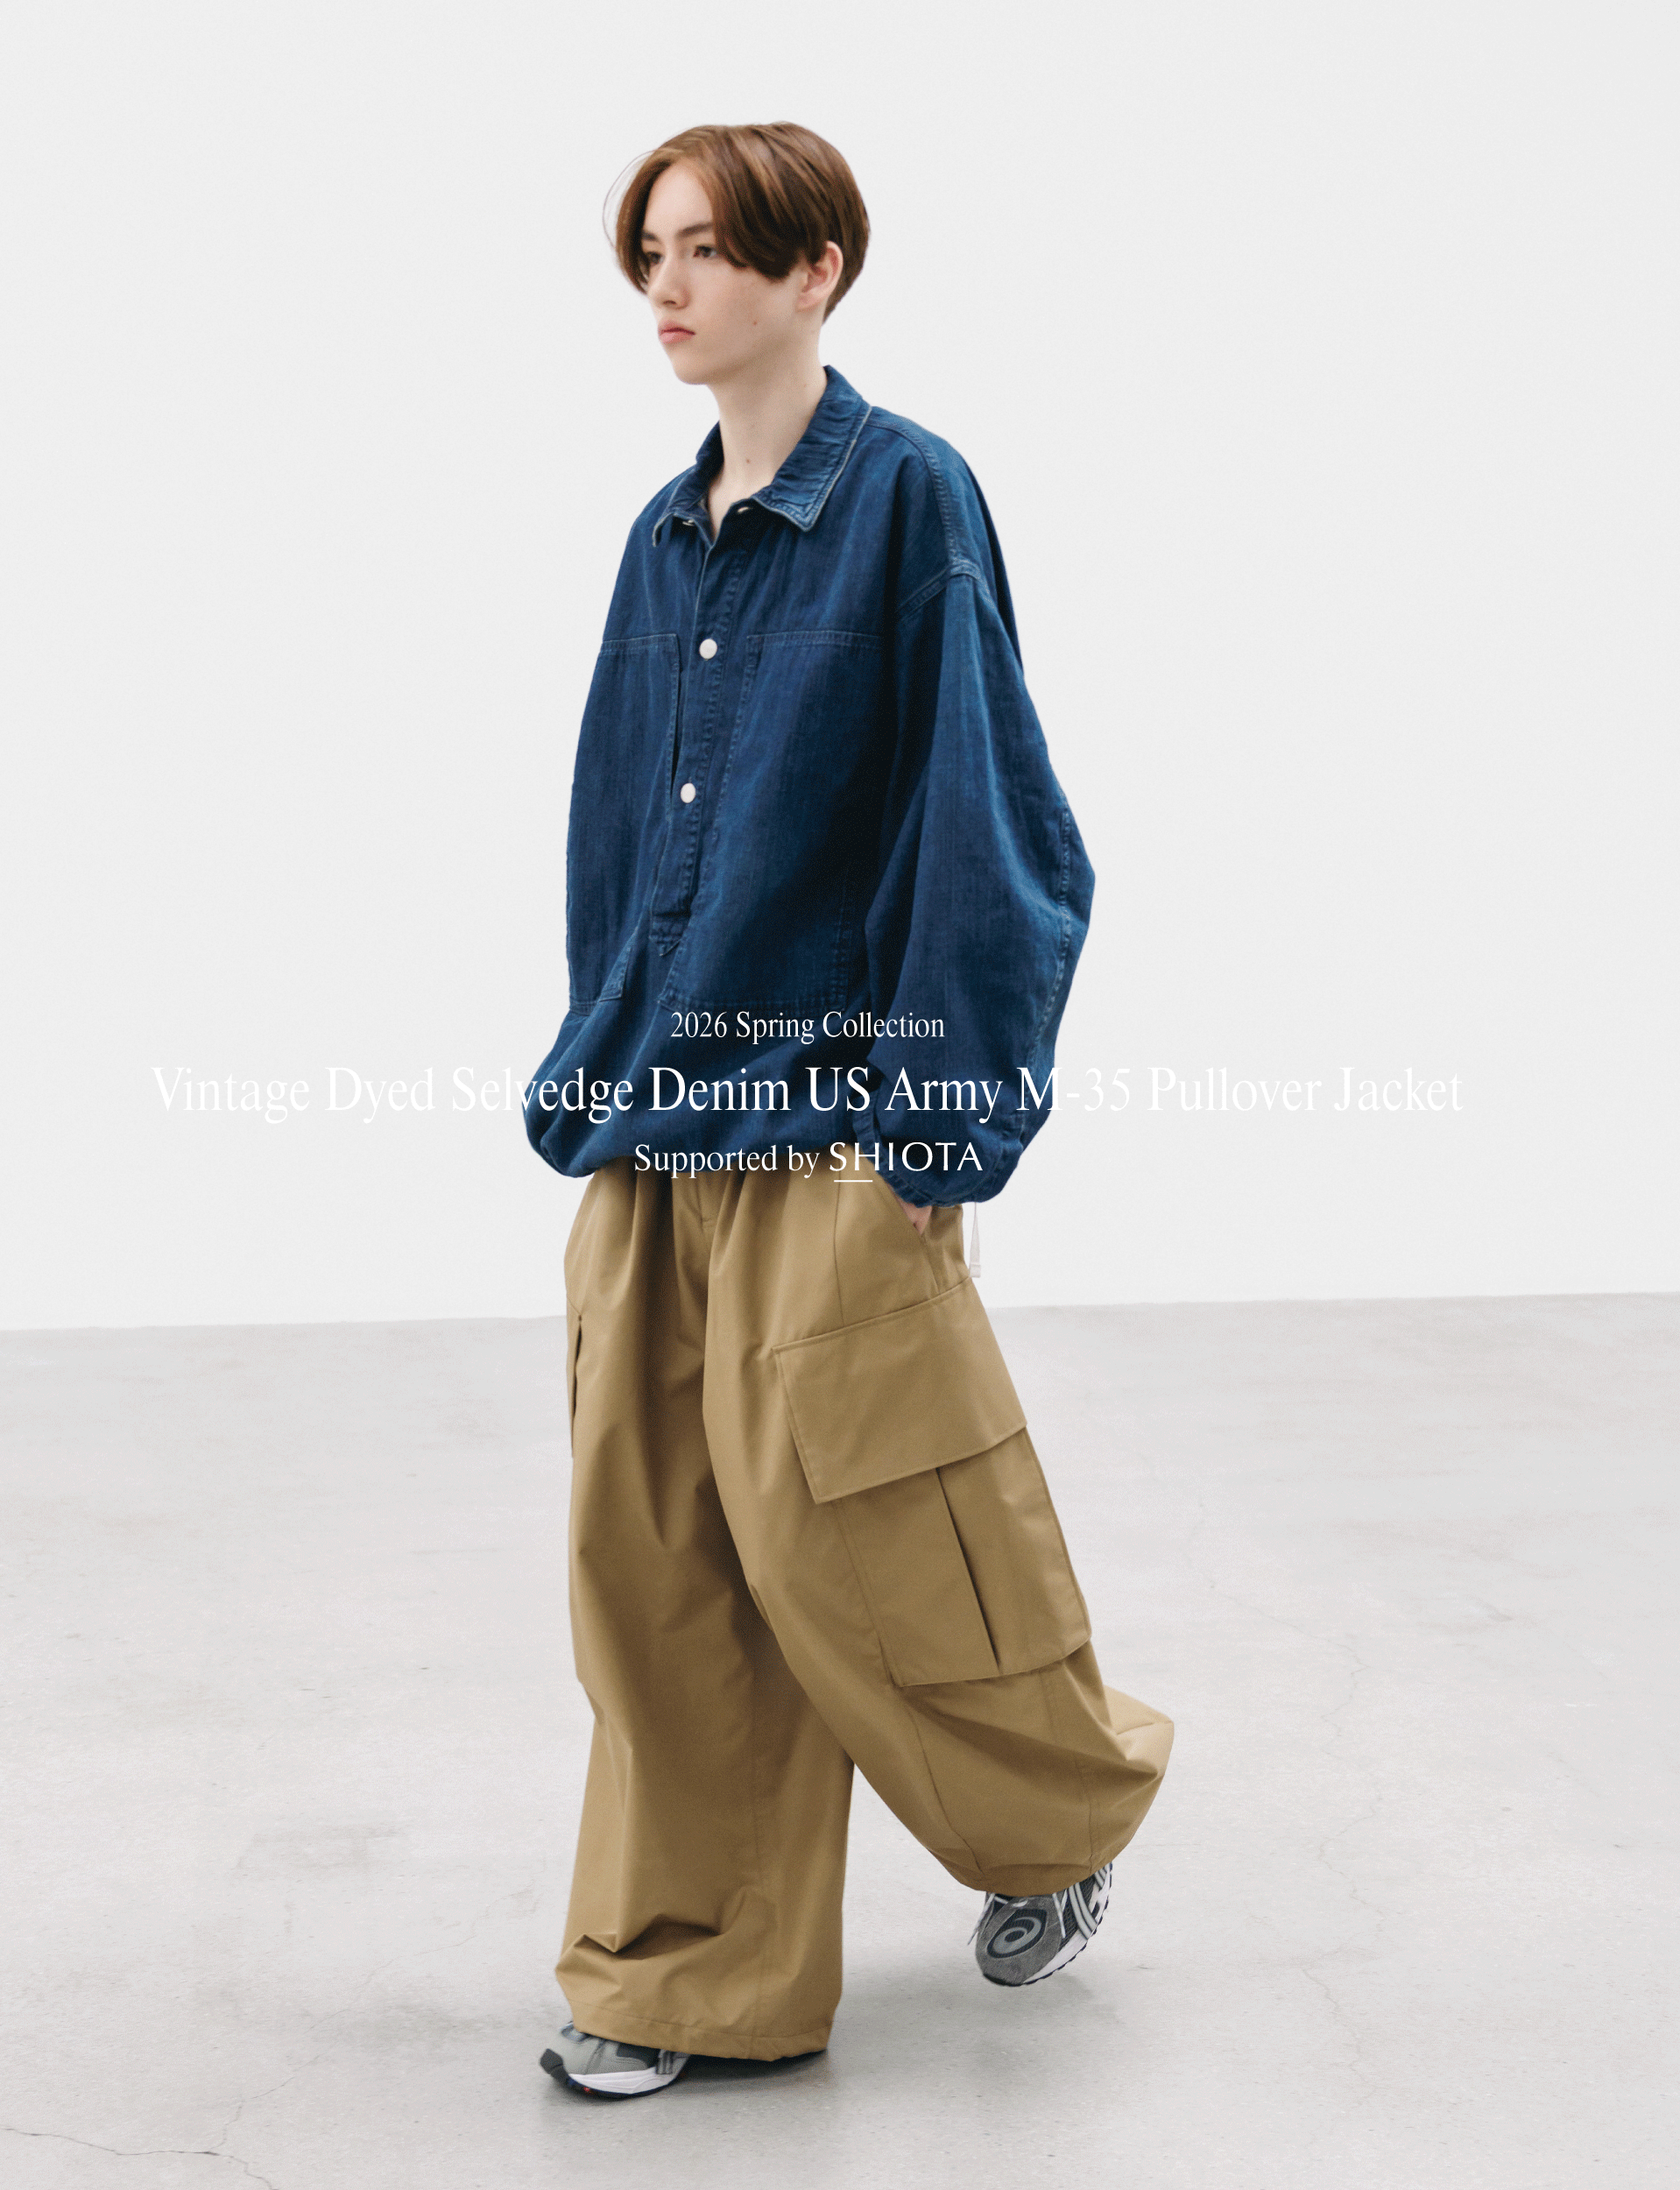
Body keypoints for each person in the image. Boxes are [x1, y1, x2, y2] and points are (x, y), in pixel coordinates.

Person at [525, 121, 1172, 2100]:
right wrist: (596, 1058)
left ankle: (1058, 1820)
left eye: (711, 249)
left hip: (832, 1120)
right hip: (659, 1124)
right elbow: (621, 833)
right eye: (650, 250)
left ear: (816, 271)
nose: (669, 286)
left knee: (870, 1541)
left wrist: (933, 1130)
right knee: (655, 1563)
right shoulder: (662, 539)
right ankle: (682, 1972)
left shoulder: (908, 498)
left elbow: (990, 822)